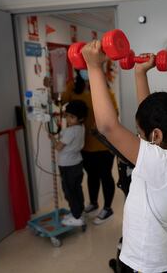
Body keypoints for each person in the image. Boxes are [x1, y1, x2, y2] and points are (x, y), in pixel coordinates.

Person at [82, 41, 167, 272]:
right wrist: (140, 73)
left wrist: (94, 67)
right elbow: (150, 121)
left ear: (155, 135)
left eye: (139, 134)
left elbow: (107, 126)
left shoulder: (164, 166)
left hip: (147, 265)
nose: (137, 138)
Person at [61, 69, 118, 225]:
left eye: (90, 69)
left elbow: (114, 114)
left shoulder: (104, 91)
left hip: (104, 144)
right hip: (84, 144)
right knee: (91, 175)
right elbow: (62, 102)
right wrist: (63, 86)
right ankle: (93, 203)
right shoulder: (73, 89)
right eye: (83, 70)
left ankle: (108, 208)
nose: (87, 73)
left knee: (105, 175)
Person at [50, 100, 88, 227]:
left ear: (80, 118)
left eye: (72, 117)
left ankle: (77, 217)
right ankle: (78, 212)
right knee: (76, 189)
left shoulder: (71, 131)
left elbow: (59, 147)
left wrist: (52, 139)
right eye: (67, 116)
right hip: (77, 163)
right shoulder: (81, 128)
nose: (68, 119)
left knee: (69, 192)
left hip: (68, 166)